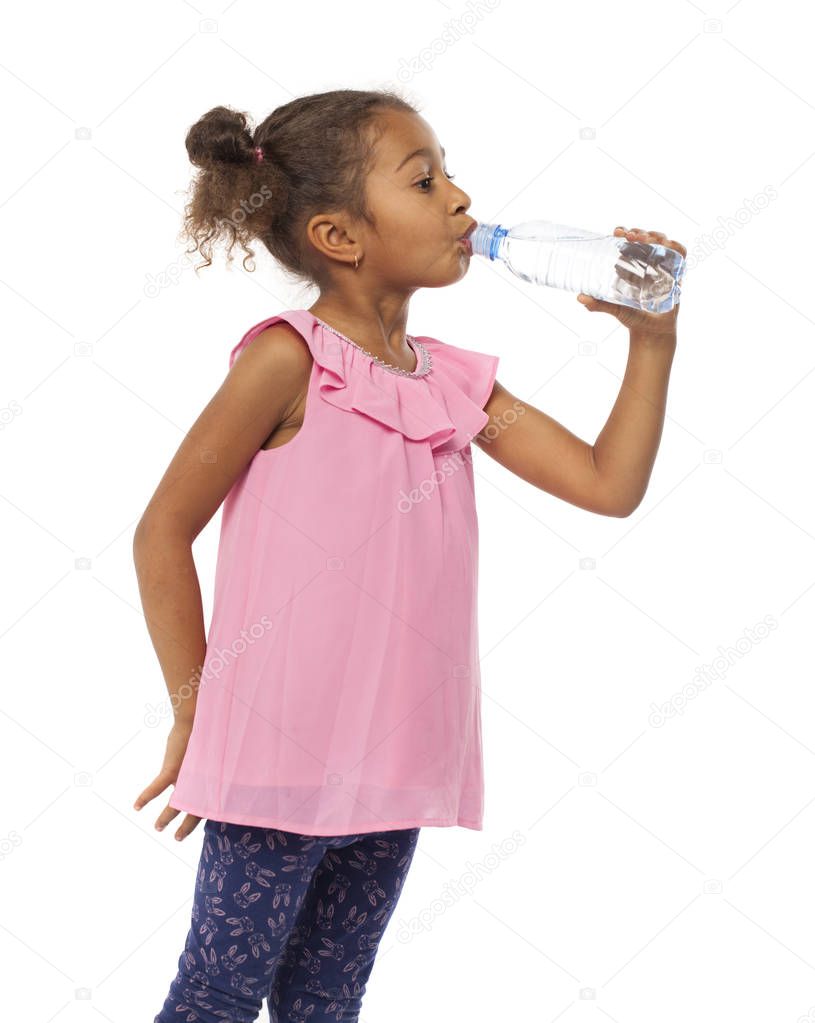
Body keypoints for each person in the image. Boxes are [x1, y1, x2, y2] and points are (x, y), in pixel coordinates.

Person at [132, 88, 685, 1023]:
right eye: (425, 181)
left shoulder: (455, 381)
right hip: (276, 752)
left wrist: (652, 340)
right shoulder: (286, 360)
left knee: (324, 997)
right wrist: (198, 711)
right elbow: (160, 533)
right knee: (217, 994)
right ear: (340, 236)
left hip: (396, 754)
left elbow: (605, 483)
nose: (460, 200)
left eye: (449, 175)